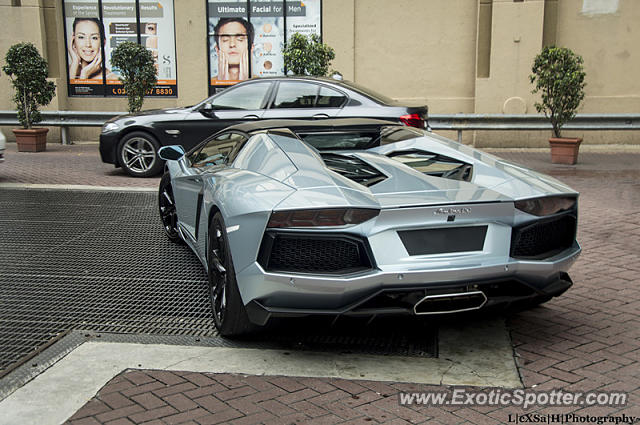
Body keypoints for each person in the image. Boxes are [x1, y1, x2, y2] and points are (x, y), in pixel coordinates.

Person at [213, 17, 254, 81]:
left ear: (251, 48)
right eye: (225, 40)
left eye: (240, 39)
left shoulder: (262, 84)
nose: (232, 44)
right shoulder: (208, 82)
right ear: (217, 49)